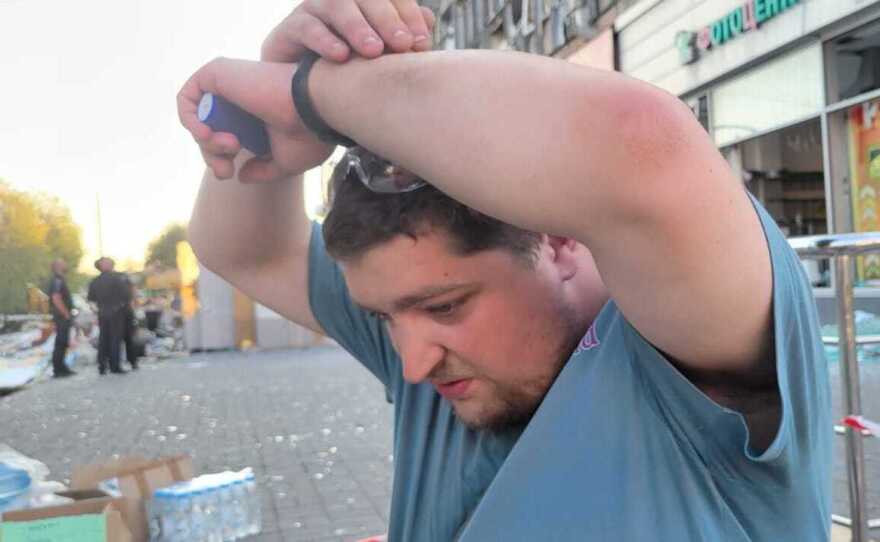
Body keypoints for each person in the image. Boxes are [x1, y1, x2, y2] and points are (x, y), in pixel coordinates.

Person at [178, 3, 831, 540]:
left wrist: (311, 94)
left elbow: (639, 142)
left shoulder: (682, 359)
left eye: (445, 308)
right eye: (384, 316)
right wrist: (269, 118)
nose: (409, 363)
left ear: (561, 239)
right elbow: (245, 250)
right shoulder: (435, 357)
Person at [87, 257, 131, 375]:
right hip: (116, 312)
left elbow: (91, 300)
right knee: (114, 339)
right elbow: (127, 295)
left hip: (102, 312)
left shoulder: (95, 281)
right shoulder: (118, 278)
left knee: (103, 339)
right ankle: (114, 366)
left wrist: (97, 311)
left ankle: (102, 366)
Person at [47, 259, 76, 378]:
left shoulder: (60, 279)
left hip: (62, 315)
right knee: (60, 342)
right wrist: (65, 313)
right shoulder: (57, 280)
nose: (66, 265)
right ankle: (58, 369)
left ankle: (62, 367)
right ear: (58, 266)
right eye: (63, 263)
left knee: (64, 342)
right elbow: (56, 298)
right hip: (61, 316)